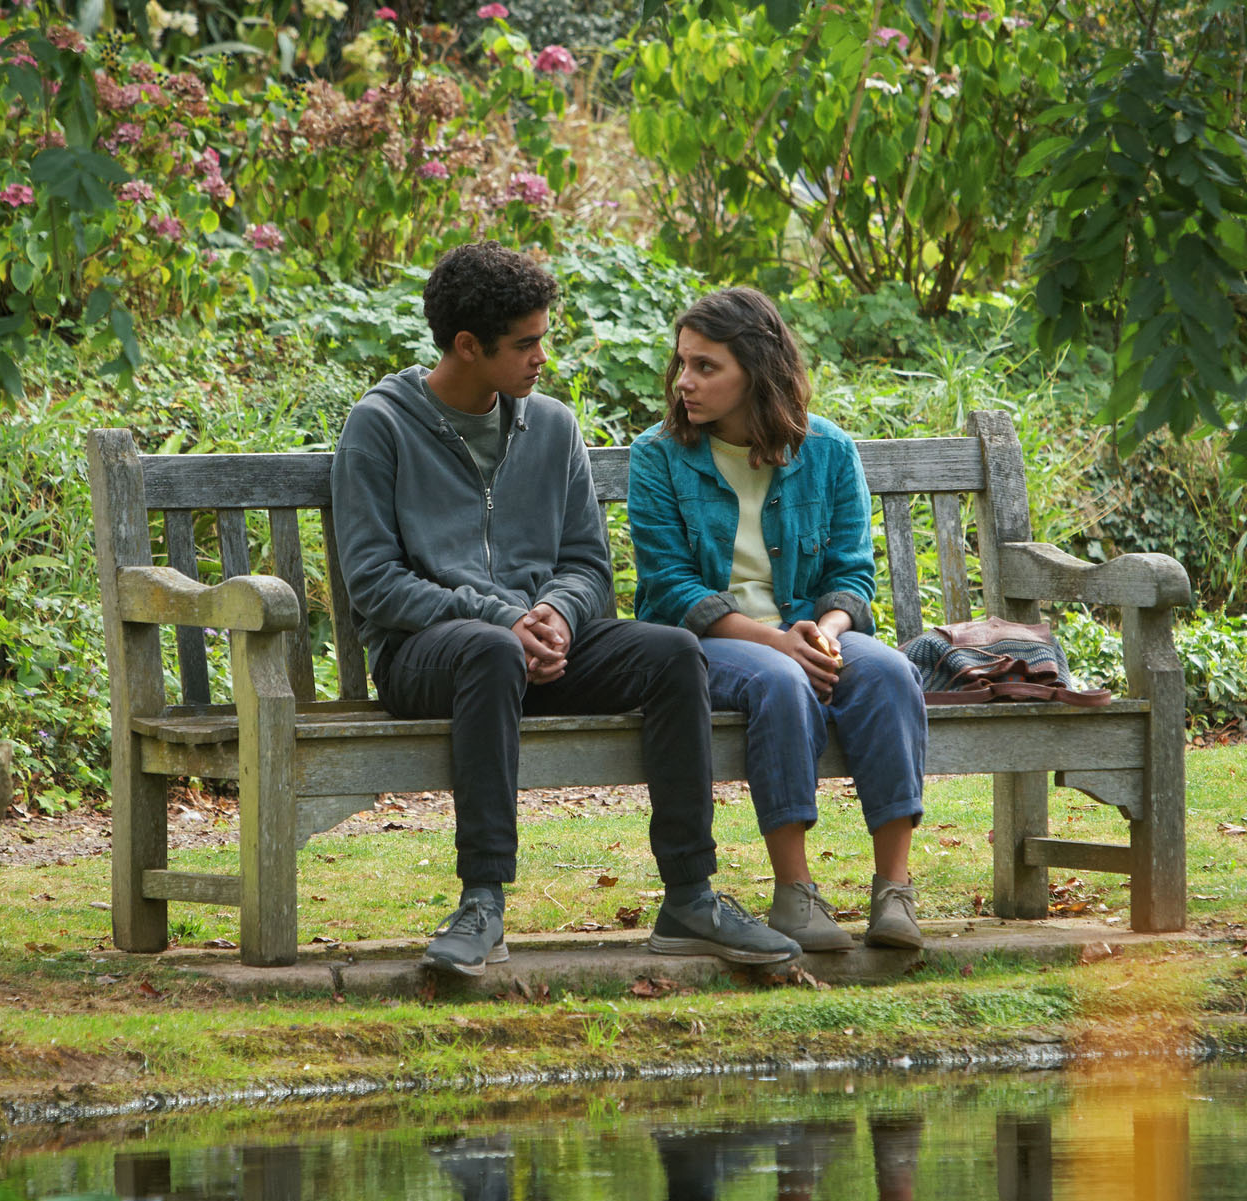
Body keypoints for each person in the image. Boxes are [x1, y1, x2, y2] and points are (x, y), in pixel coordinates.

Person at [330, 242, 801, 976]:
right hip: (426, 653)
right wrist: (498, 617)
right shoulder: (381, 425)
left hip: (539, 644)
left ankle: (690, 894)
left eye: (543, 337)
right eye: (526, 343)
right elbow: (374, 582)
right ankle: (483, 899)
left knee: (675, 652)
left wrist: (554, 613)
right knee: (488, 650)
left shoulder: (550, 426)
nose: (542, 356)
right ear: (466, 345)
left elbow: (586, 564)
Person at [628, 286, 929, 951]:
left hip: (810, 631)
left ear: (756, 371)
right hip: (708, 642)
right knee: (779, 679)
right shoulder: (658, 456)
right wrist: (777, 641)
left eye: (707, 367)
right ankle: (795, 893)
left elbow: (852, 575)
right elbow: (671, 586)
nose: (685, 382)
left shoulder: (828, 450)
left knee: (890, 673)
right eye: (683, 363)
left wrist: (826, 631)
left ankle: (895, 892)